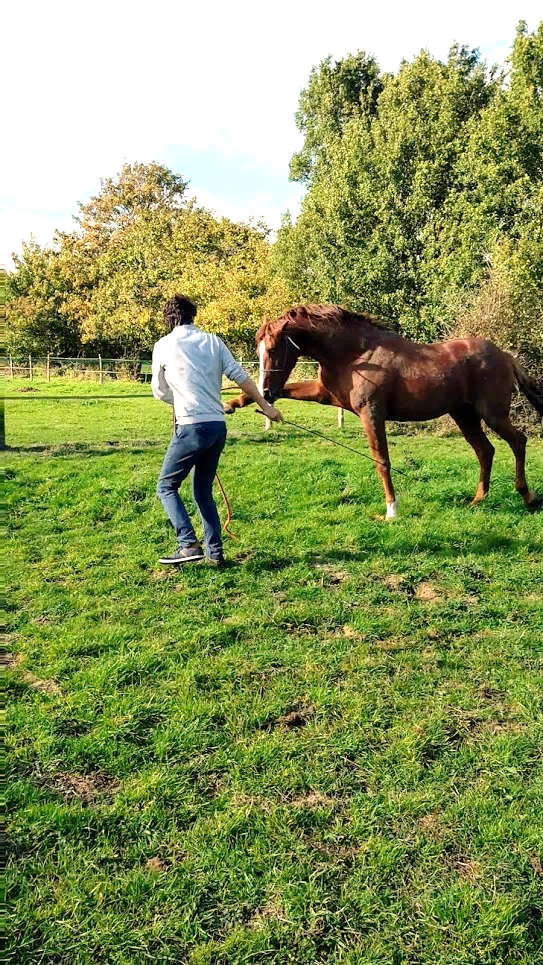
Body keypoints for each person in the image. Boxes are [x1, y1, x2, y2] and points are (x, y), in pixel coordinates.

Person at [152, 294, 282, 566]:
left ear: (169, 319)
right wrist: (266, 407)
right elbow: (241, 377)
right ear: (192, 316)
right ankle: (215, 553)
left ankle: (188, 544)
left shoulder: (163, 345)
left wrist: (186, 401)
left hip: (190, 426)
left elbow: (159, 391)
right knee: (202, 491)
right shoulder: (213, 341)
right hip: (216, 427)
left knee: (166, 486)